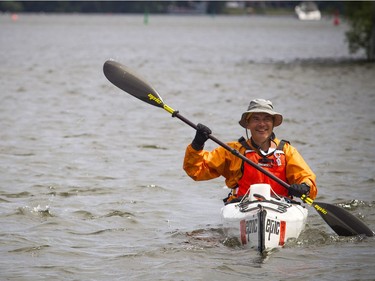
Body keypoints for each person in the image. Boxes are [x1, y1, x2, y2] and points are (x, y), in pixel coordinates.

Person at [183, 98, 317, 204]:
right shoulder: (233, 151)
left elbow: (306, 177)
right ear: (247, 124)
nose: (262, 124)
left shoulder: (287, 151)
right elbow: (196, 171)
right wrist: (197, 144)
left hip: (281, 207)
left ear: (273, 123)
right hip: (242, 206)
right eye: (256, 119)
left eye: (266, 119)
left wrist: (305, 187)